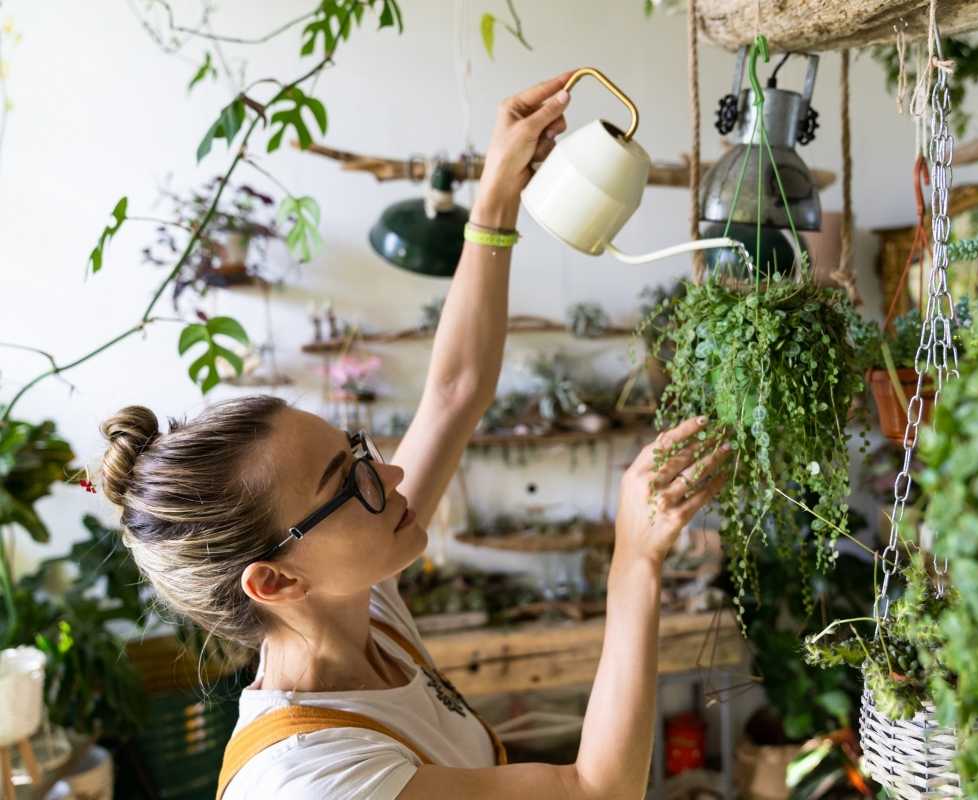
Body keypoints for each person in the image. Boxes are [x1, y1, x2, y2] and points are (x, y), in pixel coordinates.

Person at [99, 71, 731, 799]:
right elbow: (593, 792)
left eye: (358, 452)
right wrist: (634, 564)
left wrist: (497, 195)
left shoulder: (355, 606)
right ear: (274, 580)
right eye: (351, 482)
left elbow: (455, 393)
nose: (393, 479)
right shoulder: (318, 781)